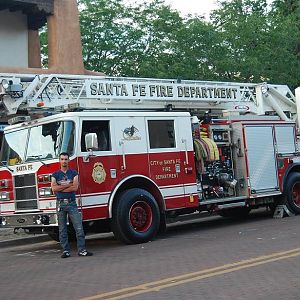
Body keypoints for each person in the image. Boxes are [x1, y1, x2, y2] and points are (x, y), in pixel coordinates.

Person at [51, 152, 93, 258]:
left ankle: (82, 250)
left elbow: (75, 188)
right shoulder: (55, 174)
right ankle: (65, 251)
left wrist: (61, 186)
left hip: (72, 203)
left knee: (79, 228)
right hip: (60, 204)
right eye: (62, 159)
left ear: (68, 160)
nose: (64, 161)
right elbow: (54, 189)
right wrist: (69, 184)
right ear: (59, 161)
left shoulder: (74, 173)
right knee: (62, 229)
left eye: (66, 159)